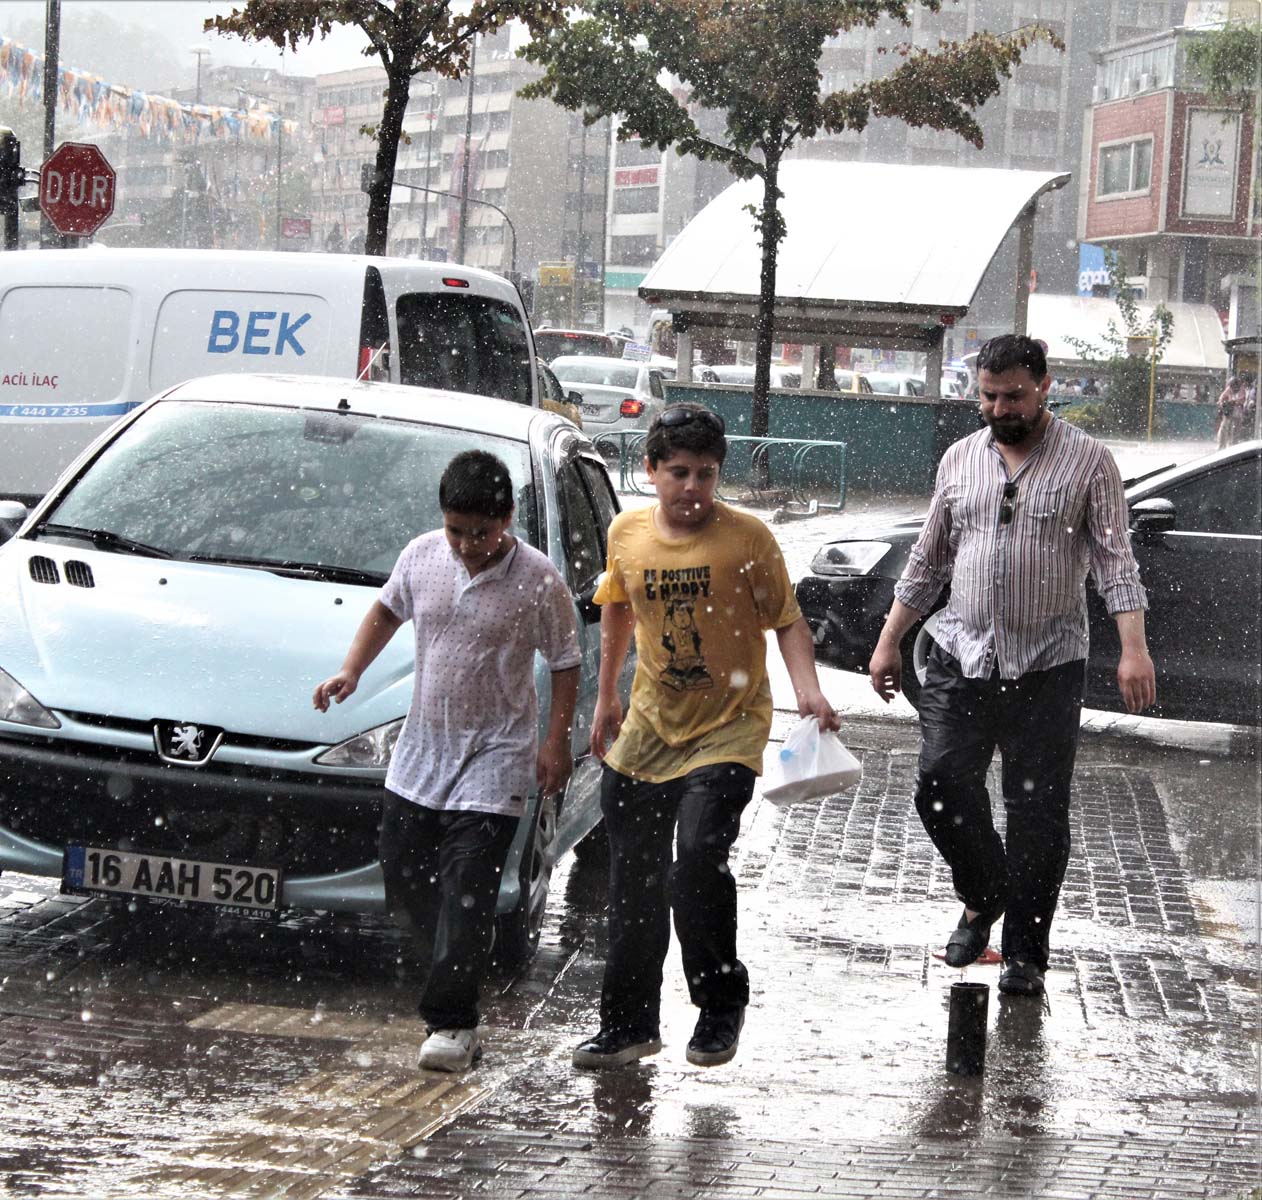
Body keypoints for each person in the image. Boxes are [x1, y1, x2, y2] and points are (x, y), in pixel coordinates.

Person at [868, 334, 1155, 999]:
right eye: (989, 396)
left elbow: (1116, 563)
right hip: (961, 655)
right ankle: (982, 894)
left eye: (1014, 396)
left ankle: (1026, 953)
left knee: (1037, 813)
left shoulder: (1089, 462)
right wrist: (887, 642)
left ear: (1045, 385)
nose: (1000, 409)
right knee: (938, 785)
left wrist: (1133, 648)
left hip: (1048, 665)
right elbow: (928, 561)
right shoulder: (959, 460)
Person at [572, 402, 839, 1070]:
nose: (693, 488)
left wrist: (808, 690)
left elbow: (787, 620)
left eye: (707, 475)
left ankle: (720, 1001)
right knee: (631, 881)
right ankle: (628, 1025)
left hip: (729, 728)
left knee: (695, 860)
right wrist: (607, 699)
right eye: (680, 473)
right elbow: (618, 613)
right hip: (648, 728)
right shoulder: (627, 533)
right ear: (653, 470)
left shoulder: (748, 539)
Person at [313, 450, 581, 1072]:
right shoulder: (421, 555)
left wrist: (555, 743)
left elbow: (567, 663)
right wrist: (351, 670)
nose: (467, 545)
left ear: (508, 519)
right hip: (421, 752)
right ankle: (457, 954)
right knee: (405, 878)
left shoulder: (538, 579)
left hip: (496, 757)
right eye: (457, 530)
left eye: (482, 533)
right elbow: (387, 609)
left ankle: (453, 1022)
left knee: (467, 887)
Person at [1217, 376, 1244, 448]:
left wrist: (1234, 402)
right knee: (1224, 428)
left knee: (1235, 430)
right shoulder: (1229, 389)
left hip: (1237, 413)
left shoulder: (1241, 390)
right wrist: (1223, 402)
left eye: (1235, 385)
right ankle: (1222, 445)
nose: (1234, 387)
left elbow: (1241, 399)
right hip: (1228, 413)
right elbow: (1221, 398)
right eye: (1232, 385)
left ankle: (1233, 446)